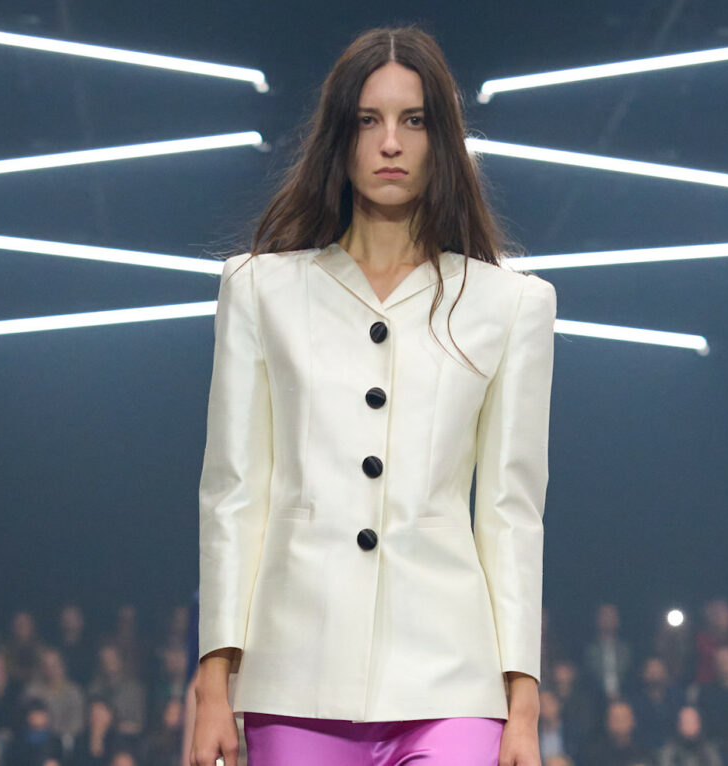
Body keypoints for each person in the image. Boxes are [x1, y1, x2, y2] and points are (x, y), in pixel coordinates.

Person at [191, 23, 556, 766]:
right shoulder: (260, 290)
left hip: (453, 677)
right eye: (368, 120)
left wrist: (522, 703)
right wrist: (212, 683)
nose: (391, 142)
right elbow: (234, 494)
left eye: (413, 120)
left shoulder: (509, 304)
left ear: (441, 139)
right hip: (295, 668)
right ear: (340, 136)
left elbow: (511, 515)